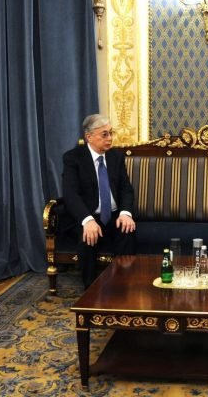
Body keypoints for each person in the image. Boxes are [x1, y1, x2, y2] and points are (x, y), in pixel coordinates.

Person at [62, 114, 136, 288]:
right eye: (104, 134)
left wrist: (125, 213)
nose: (110, 138)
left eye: (111, 133)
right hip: (89, 215)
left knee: (128, 230)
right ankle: (90, 289)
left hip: (114, 215)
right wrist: (87, 220)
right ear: (89, 137)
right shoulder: (73, 158)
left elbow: (126, 189)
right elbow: (70, 194)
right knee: (87, 237)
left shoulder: (116, 157)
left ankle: (122, 284)